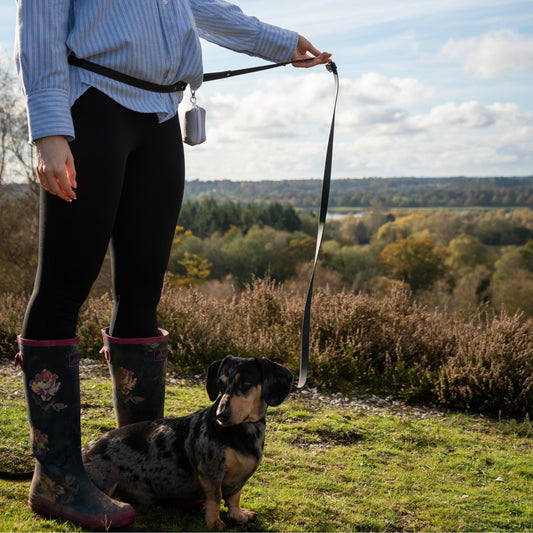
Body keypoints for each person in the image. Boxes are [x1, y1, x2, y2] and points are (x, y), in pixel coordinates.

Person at [14, 0, 331, 529]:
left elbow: (202, 6)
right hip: (90, 106)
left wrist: (281, 41)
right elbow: (41, 22)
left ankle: (153, 466)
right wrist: (49, 126)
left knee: (141, 296)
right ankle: (59, 478)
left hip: (161, 118)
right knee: (63, 291)